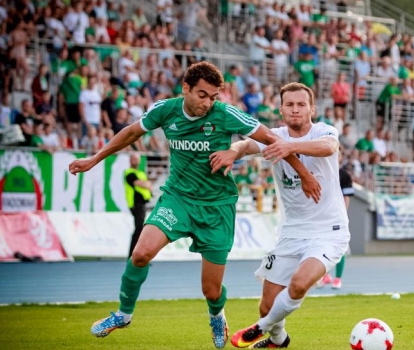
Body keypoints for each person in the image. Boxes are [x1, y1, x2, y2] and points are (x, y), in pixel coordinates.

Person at [68, 62, 320, 349]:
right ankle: (123, 314)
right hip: (178, 199)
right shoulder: (165, 110)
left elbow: (275, 140)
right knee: (141, 253)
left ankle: (216, 314)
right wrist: (94, 158)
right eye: (202, 95)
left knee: (211, 290)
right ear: (185, 88)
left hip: (216, 207)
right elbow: (130, 133)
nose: (208, 102)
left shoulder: (224, 114)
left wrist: (304, 173)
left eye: (213, 96)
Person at [209, 83, 349, 348]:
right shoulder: (274, 135)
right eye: (290, 105)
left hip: (329, 232)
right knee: (266, 306)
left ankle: (259, 329)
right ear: (281, 109)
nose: (295, 110)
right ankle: (278, 339)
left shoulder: (324, 131)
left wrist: (289, 147)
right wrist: (232, 152)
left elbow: (329, 146)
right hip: (291, 234)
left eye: (301, 104)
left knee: (298, 285)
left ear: (312, 108)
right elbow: (247, 145)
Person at [317, 149, 354, 289]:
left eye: (338, 154)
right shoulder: (321, 172)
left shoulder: (344, 175)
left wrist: (342, 214)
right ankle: (325, 276)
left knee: (340, 247)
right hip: (321, 216)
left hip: (337, 217)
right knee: (319, 247)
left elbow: (346, 197)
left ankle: (338, 278)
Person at [124, 153, 152, 258]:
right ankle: (133, 255)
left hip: (142, 203)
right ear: (130, 160)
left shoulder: (140, 173)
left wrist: (146, 184)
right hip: (136, 204)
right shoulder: (129, 173)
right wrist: (146, 184)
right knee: (139, 229)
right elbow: (140, 183)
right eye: (133, 159)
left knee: (139, 229)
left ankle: (135, 254)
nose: (135, 161)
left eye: (137, 159)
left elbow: (147, 185)